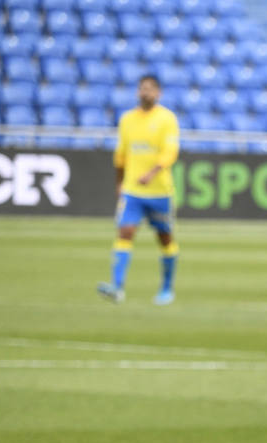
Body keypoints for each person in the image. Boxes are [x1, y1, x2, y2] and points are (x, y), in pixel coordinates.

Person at [96, 74, 180, 306]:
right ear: (137, 92)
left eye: (151, 89)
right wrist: (119, 183)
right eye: (143, 88)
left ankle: (166, 288)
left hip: (159, 192)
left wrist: (151, 173)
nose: (146, 92)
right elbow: (121, 155)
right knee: (125, 232)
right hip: (132, 191)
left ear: (158, 94)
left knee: (164, 238)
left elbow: (169, 153)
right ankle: (117, 287)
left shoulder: (167, 119)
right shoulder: (127, 120)